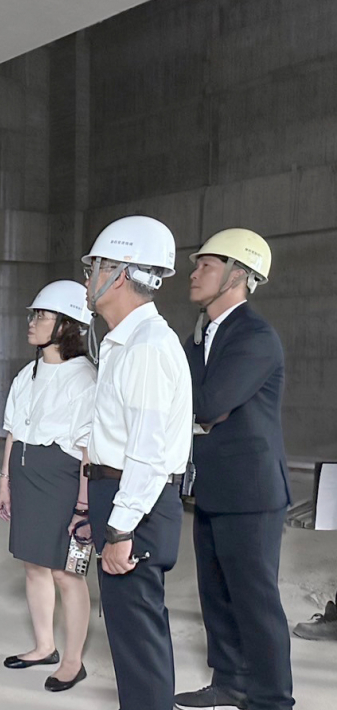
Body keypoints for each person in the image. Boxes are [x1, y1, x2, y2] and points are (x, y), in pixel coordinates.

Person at [175, 229, 294, 710]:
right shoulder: (200, 334)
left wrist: (182, 404)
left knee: (255, 602)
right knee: (216, 594)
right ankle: (230, 681)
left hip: (251, 492)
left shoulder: (255, 336)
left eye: (206, 264)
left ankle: (272, 699)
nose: (194, 272)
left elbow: (208, 403)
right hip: (211, 486)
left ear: (238, 275)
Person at [81, 216, 192, 710]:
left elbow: (148, 452)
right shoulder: (126, 341)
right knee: (130, 635)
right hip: (122, 494)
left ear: (119, 274)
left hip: (137, 503)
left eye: (95, 268)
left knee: (139, 640)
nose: (88, 279)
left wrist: (121, 528)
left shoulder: (147, 347)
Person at [0, 280, 95, 692]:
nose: (32, 322)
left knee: (67, 573)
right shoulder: (28, 373)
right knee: (34, 564)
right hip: (26, 477)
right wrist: (4, 482)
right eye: (33, 314)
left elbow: (88, 449)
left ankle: (73, 661)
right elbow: (13, 432)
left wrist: (84, 507)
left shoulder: (85, 378)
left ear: (67, 325)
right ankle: (44, 646)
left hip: (63, 482)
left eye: (42, 315)